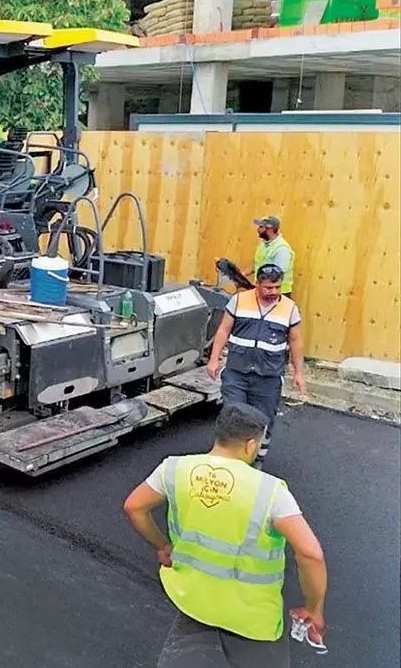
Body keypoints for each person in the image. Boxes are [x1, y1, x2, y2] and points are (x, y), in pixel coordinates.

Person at [123, 403, 328, 668]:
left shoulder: (174, 469)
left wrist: (162, 545)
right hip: (253, 619)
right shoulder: (270, 491)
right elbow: (311, 554)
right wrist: (314, 609)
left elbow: (134, 506)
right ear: (250, 444)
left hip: (194, 602)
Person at [206, 264, 306, 467]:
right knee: (233, 416)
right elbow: (224, 330)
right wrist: (214, 359)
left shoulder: (289, 308)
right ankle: (227, 462)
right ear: (258, 285)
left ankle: (255, 462)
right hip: (237, 373)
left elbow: (295, 341)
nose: (274, 292)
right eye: (269, 288)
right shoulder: (239, 301)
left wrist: (298, 373)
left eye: (277, 287)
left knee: (263, 420)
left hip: (268, 377)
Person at [247, 216, 295, 298]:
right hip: (264, 291)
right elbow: (258, 263)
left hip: (278, 293)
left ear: (270, 229)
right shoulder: (264, 244)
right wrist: (244, 274)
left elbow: (276, 275)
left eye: (261, 227)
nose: (258, 229)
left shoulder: (282, 249)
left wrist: (258, 285)